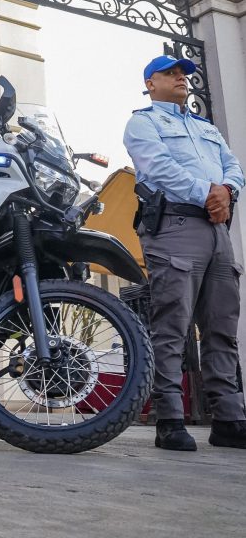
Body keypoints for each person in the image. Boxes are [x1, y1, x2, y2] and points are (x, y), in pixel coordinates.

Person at [123, 54, 246, 452]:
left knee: (222, 329)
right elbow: (157, 168)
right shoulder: (143, 122)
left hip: (216, 230)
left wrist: (227, 191)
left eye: (184, 74)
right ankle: (170, 419)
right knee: (171, 327)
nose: (180, 79)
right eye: (170, 74)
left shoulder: (207, 128)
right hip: (176, 227)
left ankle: (228, 419)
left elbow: (233, 166)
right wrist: (208, 193)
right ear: (150, 83)